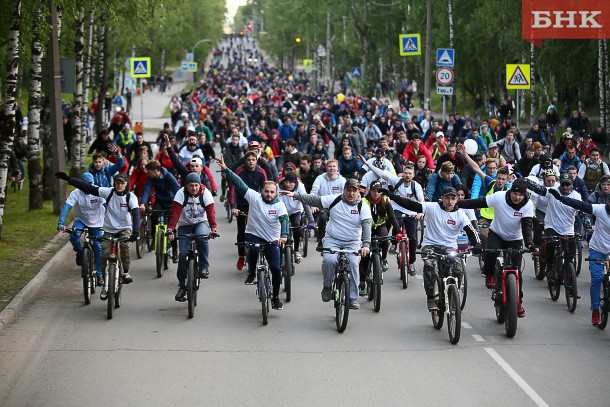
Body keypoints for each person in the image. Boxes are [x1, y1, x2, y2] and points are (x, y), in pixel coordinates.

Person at [382, 186, 481, 311]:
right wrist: (391, 195)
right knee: (430, 267)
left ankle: (452, 294)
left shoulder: (460, 214)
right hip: (431, 246)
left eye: (453, 199)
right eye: (447, 198)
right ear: (442, 198)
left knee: (458, 270)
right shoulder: (432, 207)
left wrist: (477, 244)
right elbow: (410, 204)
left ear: (456, 200)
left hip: (450, 247)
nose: (450, 202)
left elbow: (471, 231)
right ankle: (430, 298)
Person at [282, 178, 372, 310]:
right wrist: (296, 195)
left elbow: (366, 225)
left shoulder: (362, 206)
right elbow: (315, 200)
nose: (351, 194)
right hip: (333, 238)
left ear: (358, 192)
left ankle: (352, 298)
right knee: (329, 260)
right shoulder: (335, 199)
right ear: (344, 190)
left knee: (353, 263)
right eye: (348, 190)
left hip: (352, 242)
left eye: (354, 191)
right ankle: (327, 286)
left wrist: (366, 245)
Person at [217, 156, 288, 311]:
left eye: (272, 192)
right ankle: (251, 272)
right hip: (254, 234)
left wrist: (284, 236)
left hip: (272, 239)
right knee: (253, 248)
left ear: (276, 193)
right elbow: (239, 184)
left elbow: (284, 221)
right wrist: (226, 169)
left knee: (276, 269)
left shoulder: (280, 205)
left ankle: (275, 297)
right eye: (266, 191)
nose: (269, 194)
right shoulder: (255, 198)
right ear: (261, 191)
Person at [457, 179, 535, 317]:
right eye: (515, 194)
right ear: (510, 192)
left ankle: (518, 302)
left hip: (515, 239)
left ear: (525, 195)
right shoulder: (499, 197)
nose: (517, 197)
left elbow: (527, 227)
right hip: (497, 233)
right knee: (491, 252)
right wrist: (456, 204)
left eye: (520, 195)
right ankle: (489, 275)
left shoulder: (528, 205)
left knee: (518, 272)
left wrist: (529, 244)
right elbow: (478, 202)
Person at [55, 172, 140, 299]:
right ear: (114, 183)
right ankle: (105, 285)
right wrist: (69, 179)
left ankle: (125, 272)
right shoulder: (108, 192)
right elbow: (88, 189)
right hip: (107, 228)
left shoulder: (131, 197)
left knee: (124, 247)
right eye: (117, 182)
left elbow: (136, 213)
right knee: (104, 255)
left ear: (127, 184)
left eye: (122, 183)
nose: (120, 185)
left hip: (121, 228)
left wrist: (136, 233)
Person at [545, 187, 610, 326]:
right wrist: (560, 198)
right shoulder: (600, 209)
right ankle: (595, 310)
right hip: (597, 250)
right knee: (597, 278)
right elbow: (579, 204)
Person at [166, 173, 218, 301]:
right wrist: (170, 228)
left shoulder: (206, 193)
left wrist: (214, 228)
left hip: (202, 222)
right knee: (183, 255)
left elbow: (211, 212)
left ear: (200, 185)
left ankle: (204, 267)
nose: (194, 188)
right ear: (186, 186)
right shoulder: (180, 194)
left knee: (201, 236)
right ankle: (182, 286)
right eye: (191, 186)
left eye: (196, 185)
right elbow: (176, 212)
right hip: (185, 225)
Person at [524, 175, 584, 284]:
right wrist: (524, 180)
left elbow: (581, 209)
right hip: (552, 226)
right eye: (563, 184)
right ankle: (550, 266)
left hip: (568, 228)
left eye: (567, 184)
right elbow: (538, 188)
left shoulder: (576, 195)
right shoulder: (552, 191)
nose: (565, 187)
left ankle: (570, 281)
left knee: (570, 255)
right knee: (550, 244)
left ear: (571, 184)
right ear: (559, 183)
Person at [57, 172, 105, 285]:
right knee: (74, 236)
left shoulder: (98, 191)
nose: (87, 188)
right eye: (85, 185)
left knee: (98, 246)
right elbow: (66, 207)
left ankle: (99, 274)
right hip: (81, 220)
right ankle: (80, 253)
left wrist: (110, 224)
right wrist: (61, 223)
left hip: (97, 221)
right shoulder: (76, 193)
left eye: (90, 184)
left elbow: (108, 206)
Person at [357, 180, 400, 295]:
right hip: (367, 228)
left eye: (378, 191)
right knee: (365, 255)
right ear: (369, 191)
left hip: (380, 226)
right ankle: (361, 283)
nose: (376, 193)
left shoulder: (385, 201)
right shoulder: (363, 201)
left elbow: (392, 218)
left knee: (385, 241)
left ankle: (384, 259)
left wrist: (398, 232)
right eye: (373, 191)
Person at [230, 151, 268, 270]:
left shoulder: (261, 172)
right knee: (241, 231)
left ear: (256, 161)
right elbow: (233, 189)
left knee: (259, 230)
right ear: (245, 161)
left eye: (253, 159)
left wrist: (266, 206)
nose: (251, 162)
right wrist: (233, 206)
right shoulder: (239, 172)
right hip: (242, 205)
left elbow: (266, 190)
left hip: (256, 205)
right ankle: (241, 255)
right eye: (248, 160)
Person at [277, 171, 315, 263]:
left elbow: (305, 203)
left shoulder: (300, 187)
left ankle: (297, 250)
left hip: (295, 210)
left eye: (291, 182)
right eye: (286, 182)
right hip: (283, 211)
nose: (288, 184)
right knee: (280, 229)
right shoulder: (278, 187)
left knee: (296, 226)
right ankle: (280, 250)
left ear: (295, 182)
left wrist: (311, 220)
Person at [310, 159, 346, 249]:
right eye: (330, 166)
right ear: (326, 167)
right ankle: (321, 241)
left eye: (334, 166)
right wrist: (313, 204)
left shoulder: (342, 180)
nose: (332, 168)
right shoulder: (320, 178)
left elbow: (346, 194)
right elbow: (314, 192)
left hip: (338, 206)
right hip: (323, 205)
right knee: (322, 217)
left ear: (337, 168)